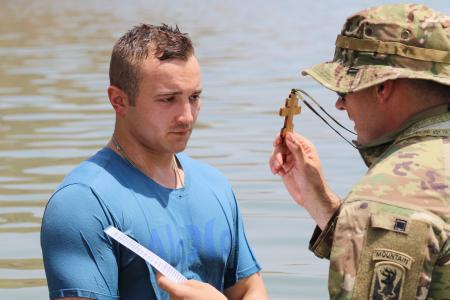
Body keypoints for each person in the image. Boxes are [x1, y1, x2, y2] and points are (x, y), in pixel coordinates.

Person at [40, 24, 268, 300]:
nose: (186, 116)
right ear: (119, 101)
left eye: (194, 97)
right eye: (167, 99)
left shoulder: (216, 186)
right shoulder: (82, 203)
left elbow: (250, 289)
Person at [269, 3, 450, 300]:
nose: (340, 105)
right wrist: (322, 205)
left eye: (344, 91)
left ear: (382, 87)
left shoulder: (388, 195)